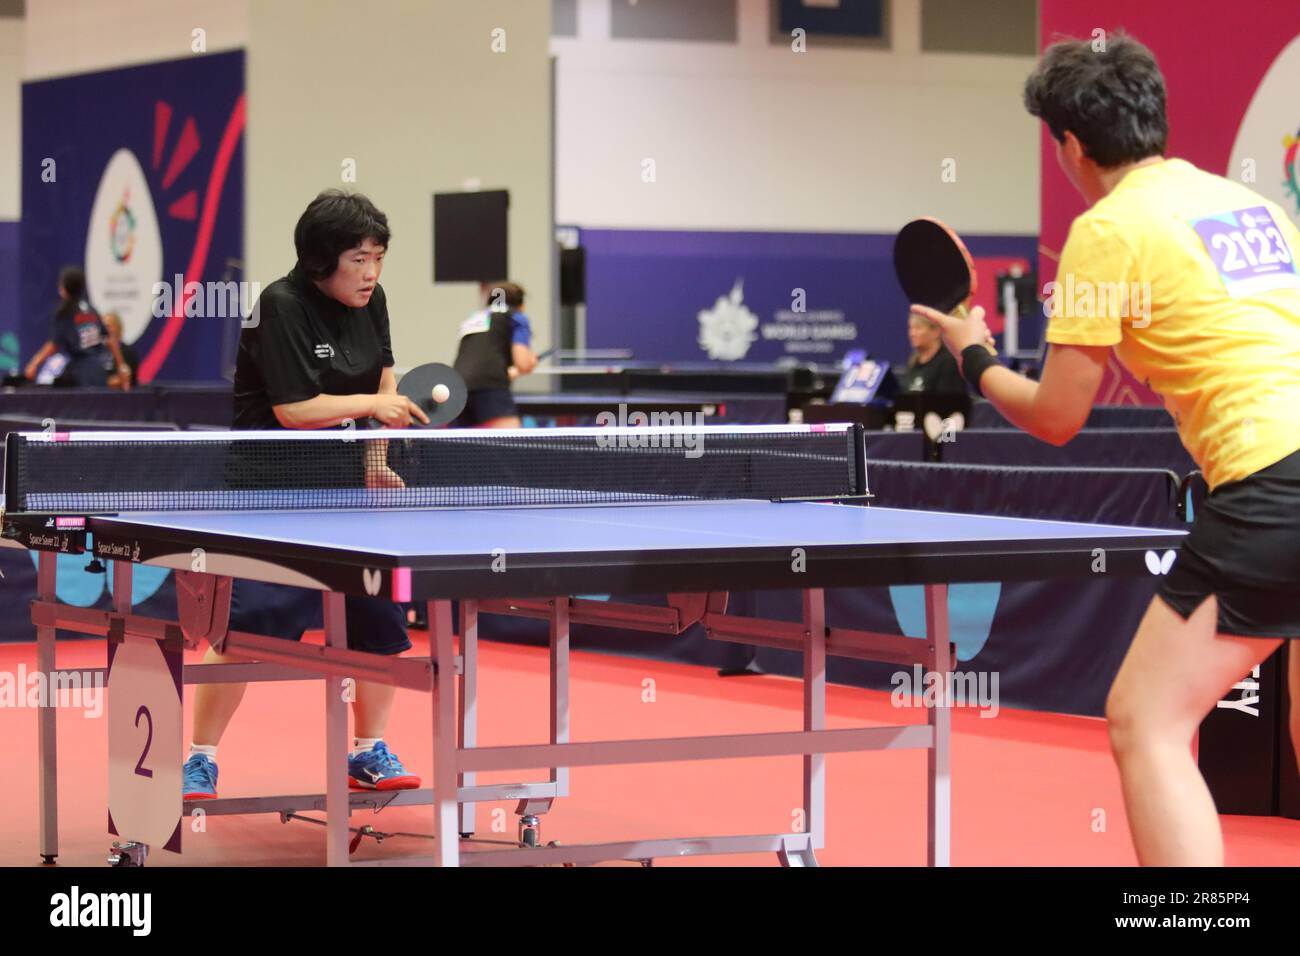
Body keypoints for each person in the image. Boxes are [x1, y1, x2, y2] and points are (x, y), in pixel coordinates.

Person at [912, 33, 1300, 866]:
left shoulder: (1107, 231)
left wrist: (974, 356)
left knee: (1147, 720)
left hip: (1274, 480)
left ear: (1072, 146)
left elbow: (1058, 417)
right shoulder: (1253, 208)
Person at [184, 190, 429, 800]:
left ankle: (368, 751)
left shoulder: (372, 302)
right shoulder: (280, 305)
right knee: (247, 633)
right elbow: (294, 410)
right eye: (358, 260)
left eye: (378, 257)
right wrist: (374, 405)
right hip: (272, 493)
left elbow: (383, 379)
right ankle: (200, 757)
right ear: (322, 260)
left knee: (380, 624)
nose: (371, 272)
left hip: (346, 493)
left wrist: (374, 460)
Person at [23, 266, 131, 388]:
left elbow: (53, 345)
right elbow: (110, 340)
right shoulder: (91, 310)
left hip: (80, 372)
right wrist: (121, 365)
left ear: (64, 288)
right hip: (99, 370)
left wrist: (34, 364)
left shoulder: (64, 312)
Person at [452, 281, 538, 427]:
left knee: (473, 448)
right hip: (490, 388)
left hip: (458, 388)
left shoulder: (474, 318)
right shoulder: (516, 316)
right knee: (509, 445)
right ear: (521, 305)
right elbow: (522, 363)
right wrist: (531, 362)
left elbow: (479, 364)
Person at [903, 311, 966, 393]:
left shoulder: (948, 362)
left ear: (936, 332)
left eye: (918, 328)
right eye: (910, 328)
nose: (912, 333)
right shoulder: (914, 362)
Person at [101, 312, 140, 390]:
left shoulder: (127, 352)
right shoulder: (96, 351)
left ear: (119, 328)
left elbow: (125, 380)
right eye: (102, 327)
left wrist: (115, 349)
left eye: (108, 326)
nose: (105, 330)